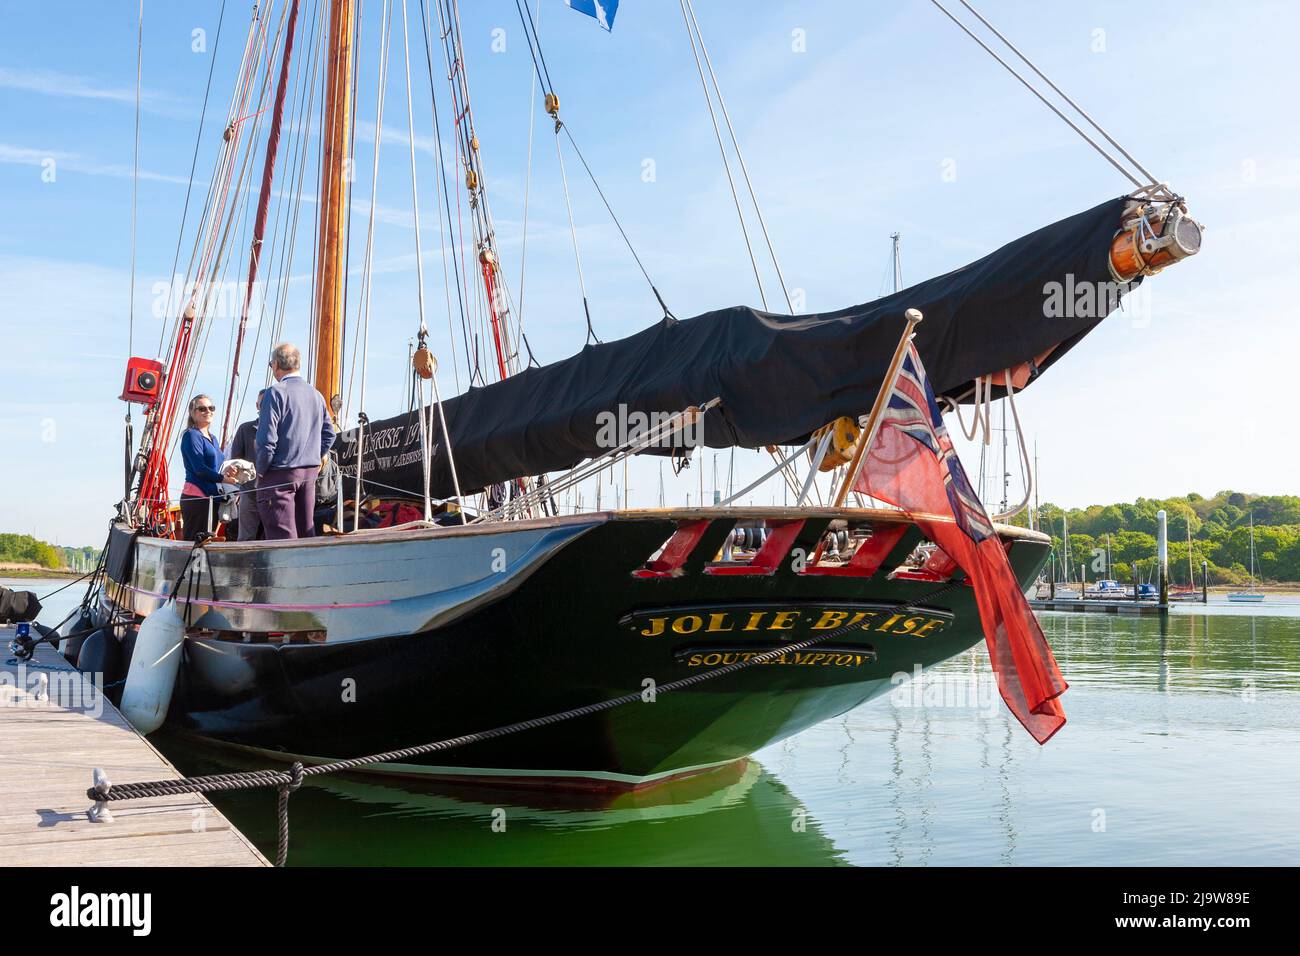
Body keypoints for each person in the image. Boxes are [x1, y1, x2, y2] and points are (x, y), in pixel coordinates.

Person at [256, 343, 337, 540]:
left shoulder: (275, 393)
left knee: (281, 535)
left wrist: (261, 470)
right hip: (309, 473)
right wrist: (314, 458)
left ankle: (287, 570)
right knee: (305, 531)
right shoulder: (316, 395)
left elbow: (267, 440)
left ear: (275, 365)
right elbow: (329, 434)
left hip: (280, 473)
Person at [179, 394, 238, 541]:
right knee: (195, 542)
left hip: (212, 498)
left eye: (211, 408)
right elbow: (199, 468)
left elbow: (217, 466)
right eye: (202, 409)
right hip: (197, 497)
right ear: (193, 413)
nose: (208, 411)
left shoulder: (213, 438)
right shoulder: (191, 435)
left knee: (207, 541)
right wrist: (224, 479)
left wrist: (229, 471)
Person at [227, 389, 266, 541]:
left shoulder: (282, 430)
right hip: (249, 492)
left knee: (274, 537)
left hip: (274, 493)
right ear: (257, 405)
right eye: (263, 403)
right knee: (246, 538)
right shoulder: (245, 429)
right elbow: (235, 459)